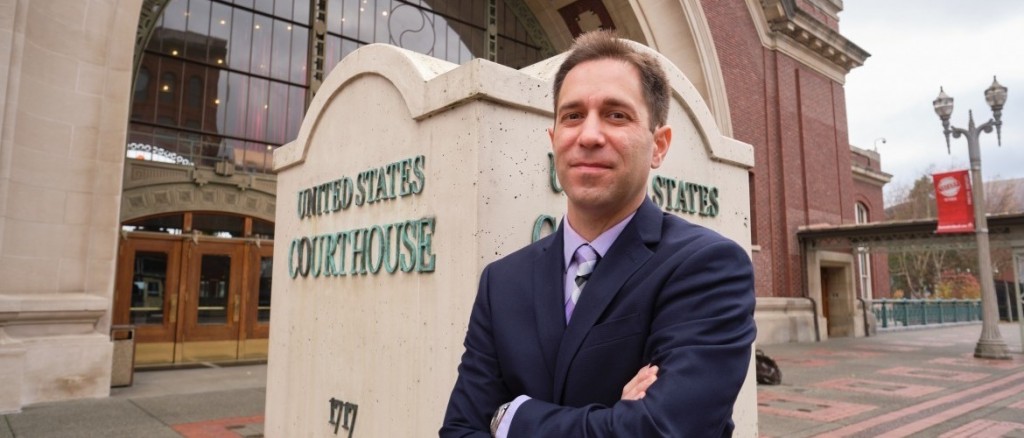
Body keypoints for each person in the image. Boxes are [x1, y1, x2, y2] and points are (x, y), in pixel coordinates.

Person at [440, 30, 756, 437]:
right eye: (572, 115)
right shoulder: (501, 283)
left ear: (658, 145)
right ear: (555, 141)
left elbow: (664, 430)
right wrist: (617, 419)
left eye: (616, 114)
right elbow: (460, 431)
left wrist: (511, 418)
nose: (589, 136)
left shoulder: (708, 267)